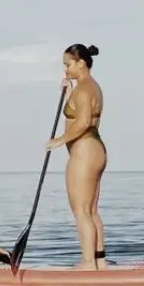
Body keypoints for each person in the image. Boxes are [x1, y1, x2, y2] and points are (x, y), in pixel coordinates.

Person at [47, 43, 108, 269]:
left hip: (84, 151)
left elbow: (81, 122)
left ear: (81, 63)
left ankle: (88, 263)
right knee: (91, 211)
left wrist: (60, 139)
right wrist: (69, 88)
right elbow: (79, 113)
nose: (65, 69)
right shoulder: (90, 87)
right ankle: (100, 263)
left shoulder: (83, 90)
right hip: (96, 150)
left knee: (81, 211)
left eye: (68, 65)